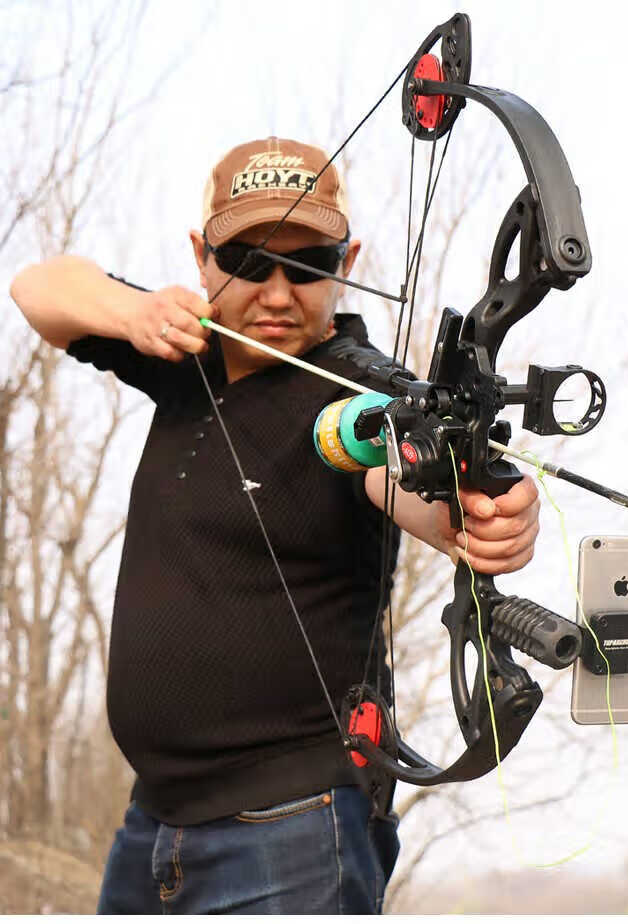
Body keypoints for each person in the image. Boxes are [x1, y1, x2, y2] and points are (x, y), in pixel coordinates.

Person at [10, 137, 541, 914]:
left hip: (293, 834)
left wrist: (482, 511)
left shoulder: (358, 393)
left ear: (347, 261)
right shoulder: (183, 354)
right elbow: (38, 287)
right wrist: (135, 313)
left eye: (309, 264)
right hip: (151, 825)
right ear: (203, 258)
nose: (278, 293)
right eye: (249, 263)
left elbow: (407, 477)